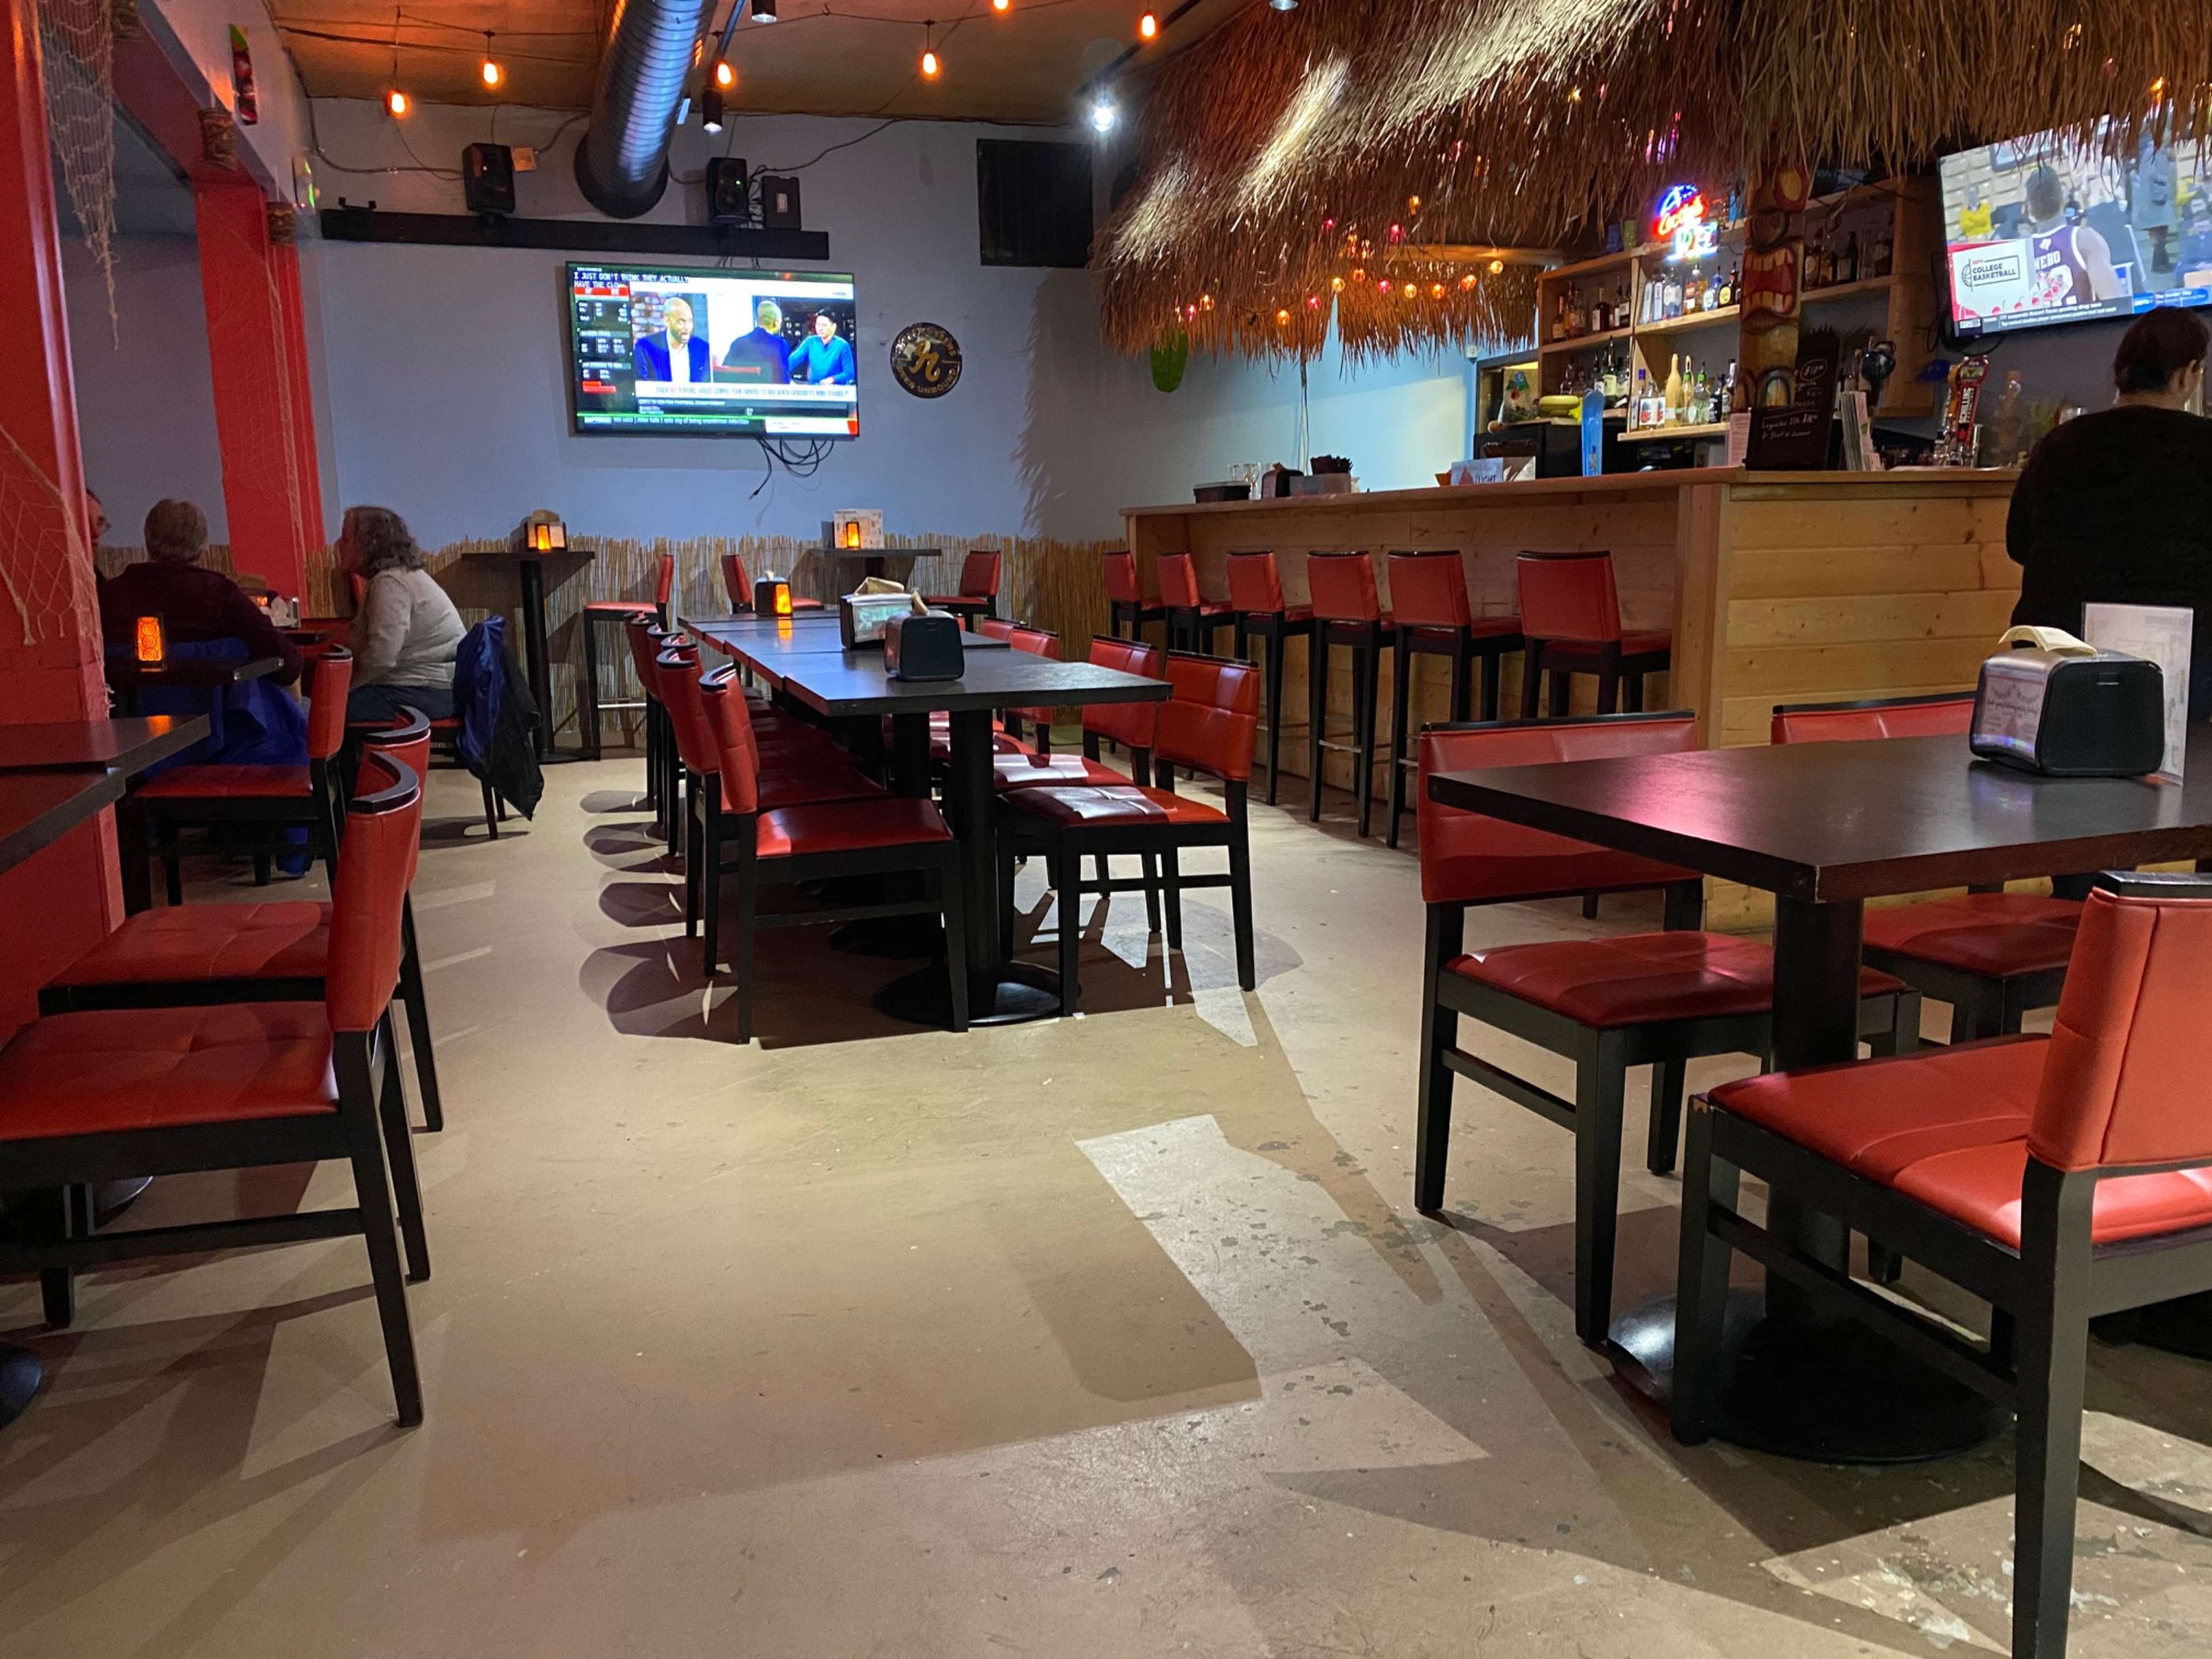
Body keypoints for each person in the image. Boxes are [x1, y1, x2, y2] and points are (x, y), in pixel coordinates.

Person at [2008, 306, 2212, 722]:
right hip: (2179, 682)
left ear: (2121, 372)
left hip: (2055, 668)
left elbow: (2018, 544)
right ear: (2188, 374)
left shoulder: (2058, 445)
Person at [98, 498, 302, 684]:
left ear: (147, 539)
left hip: (124, 722)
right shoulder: (220, 595)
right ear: (203, 544)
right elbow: (289, 665)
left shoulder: (106, 598)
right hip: (220, 720)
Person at [343, 504, 465, 722]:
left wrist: (346, 689)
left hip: (427, 690)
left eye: (346, 538)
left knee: (327, 714)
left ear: (369, 544)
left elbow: (382, 657)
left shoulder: (390, 583)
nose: (339, 545)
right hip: (436, 687)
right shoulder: (402, 577)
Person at [2024, 163, 2125, 307]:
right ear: (2063, 200)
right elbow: (2115, 302)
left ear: (2029, 209)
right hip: (2084, 329)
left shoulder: (2021, 253)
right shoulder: (2084, 239)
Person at [632, 296, 710, 382]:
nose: (687, 327)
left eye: (690, 321)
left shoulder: (703, 348)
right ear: (668, 321)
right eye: (681, 322)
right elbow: (641, 386)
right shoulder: (645, 348)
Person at [719, 298, 791, 384]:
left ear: (758, 319)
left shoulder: (738, 343)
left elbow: (723, 375)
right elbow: (783, 380)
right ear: (776, 322)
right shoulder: (780, 345)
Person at [786, 312, 856, 384]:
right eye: (818, 324)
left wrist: (832, 379)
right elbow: (793, 360)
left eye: (824, 325)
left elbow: (849, 373)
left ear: (834, 327)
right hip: (813, 389)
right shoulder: (810, 342)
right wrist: (782, 373)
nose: (820, 328)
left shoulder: (843, 346)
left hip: (835, 390)